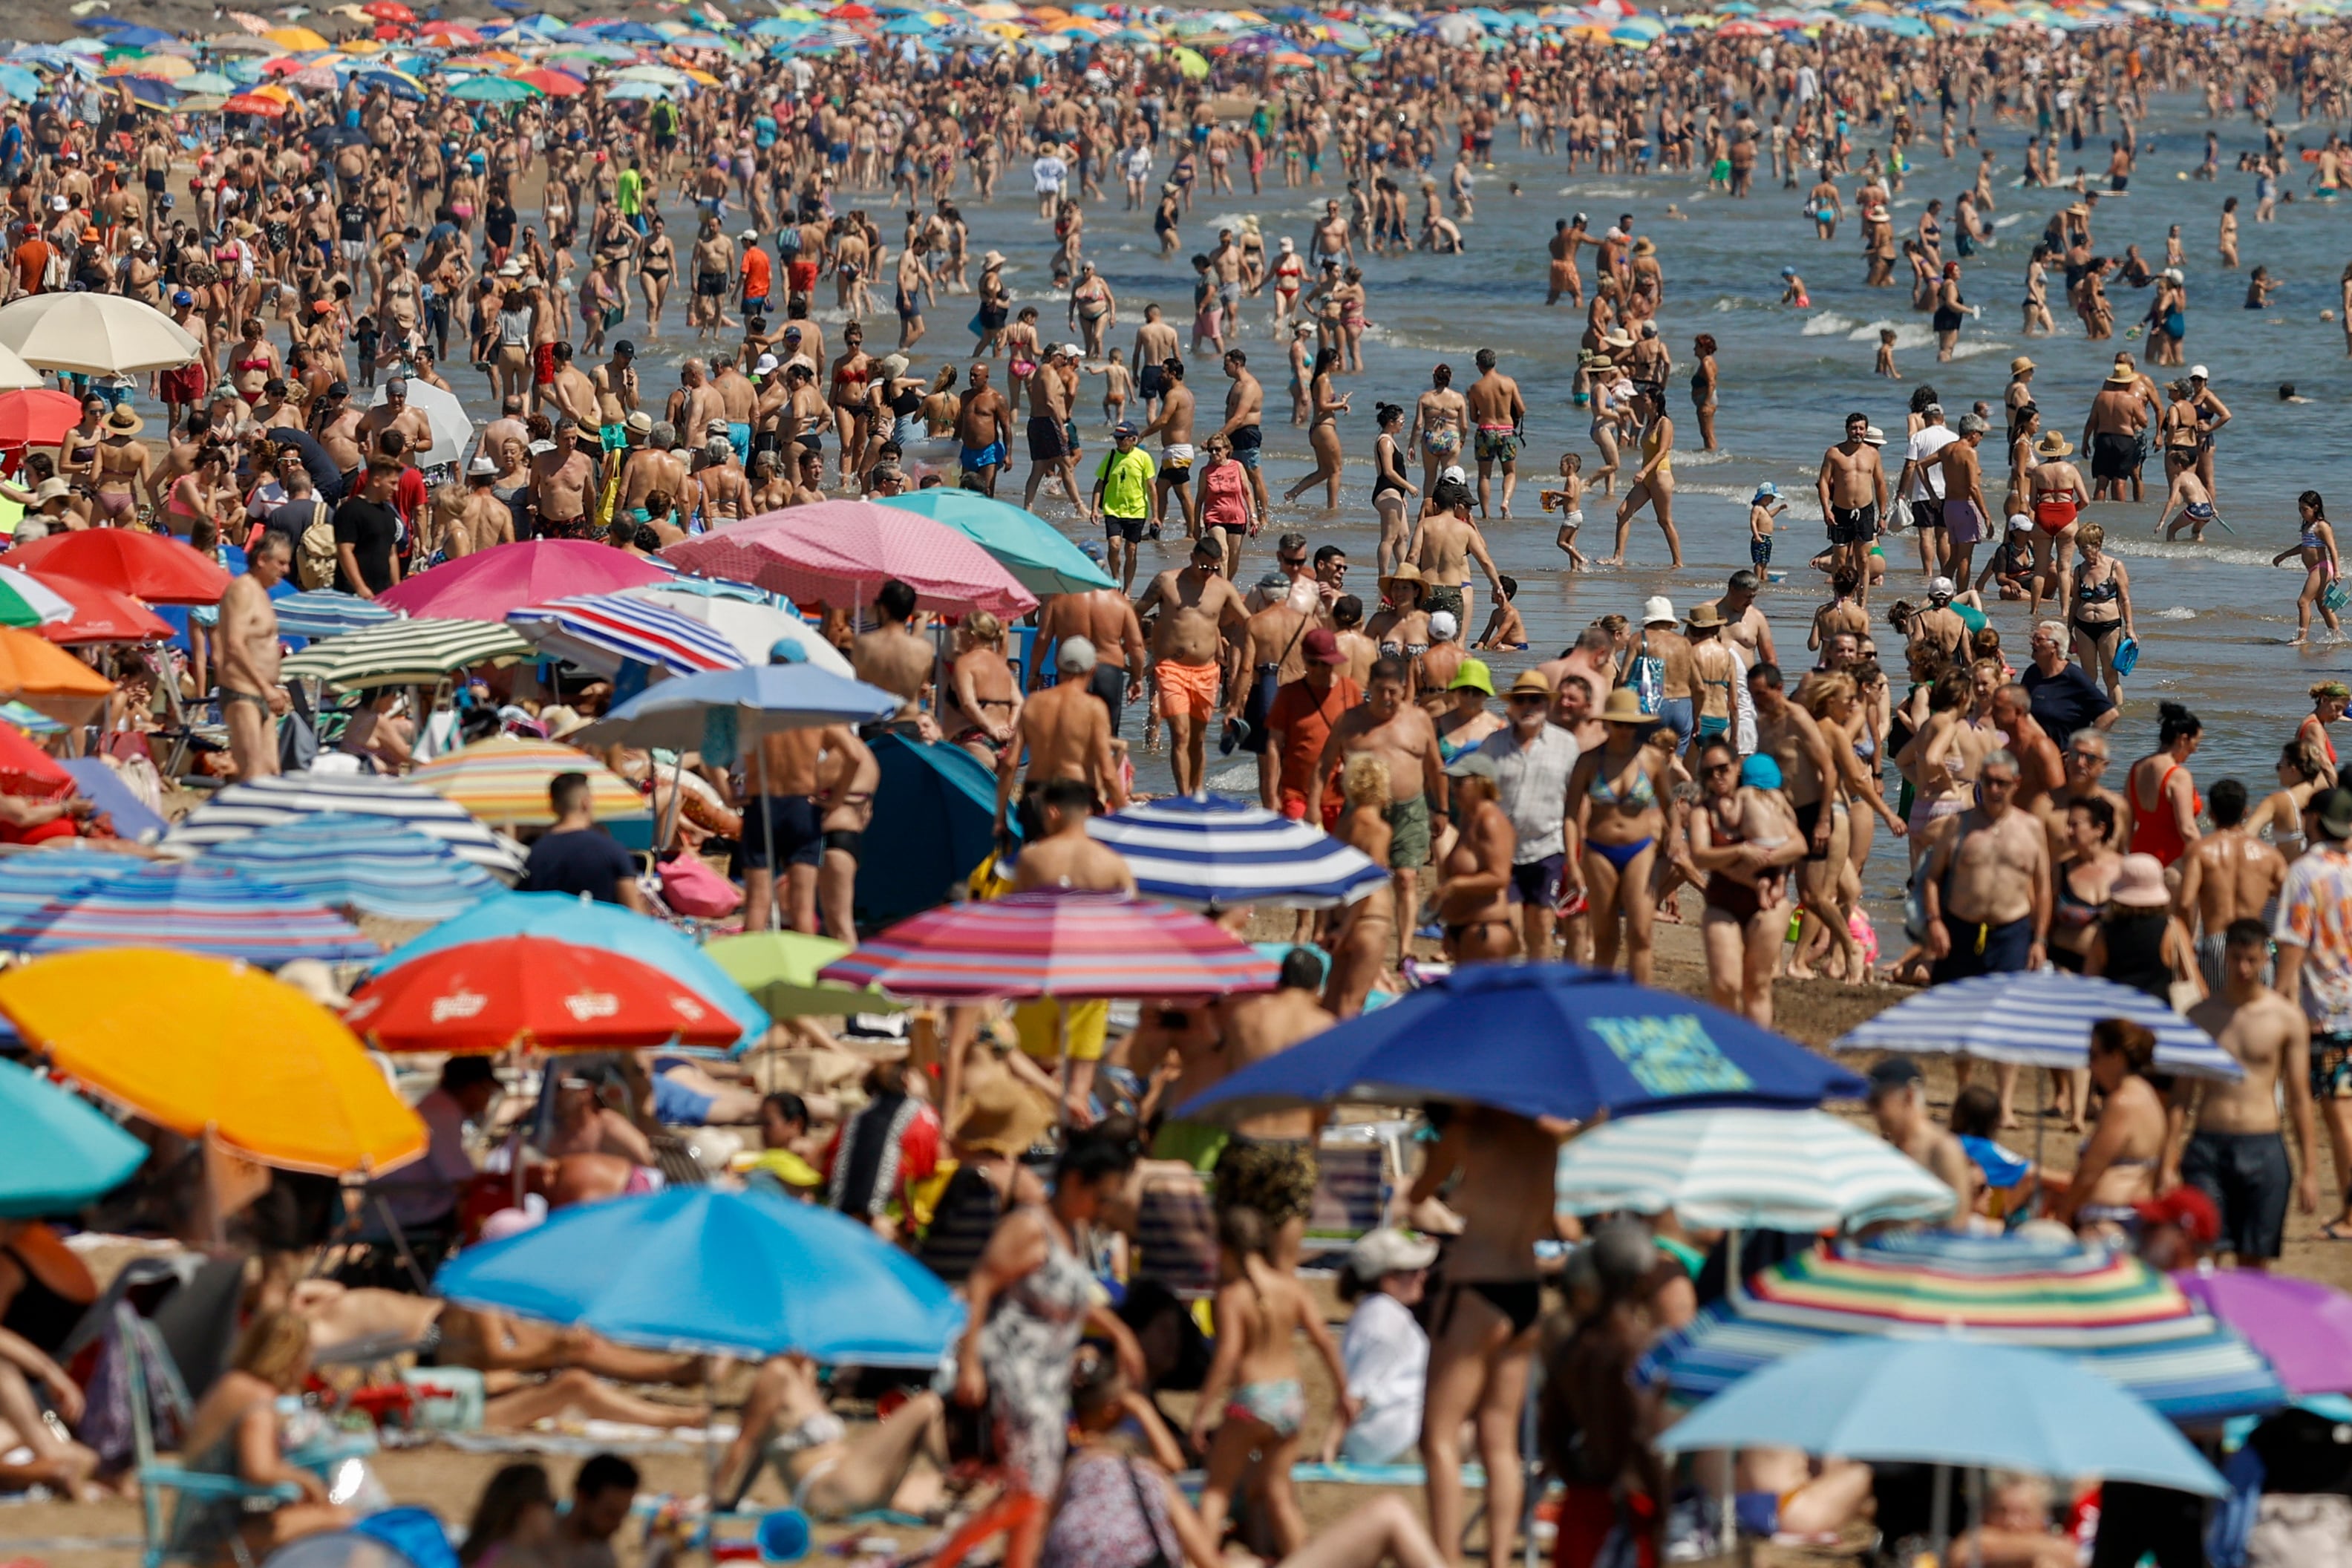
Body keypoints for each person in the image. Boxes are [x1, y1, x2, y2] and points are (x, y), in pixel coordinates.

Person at [956, 1121, 1149, 1568]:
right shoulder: (1030, 1227)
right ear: (1075, 1182)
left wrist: (1118, 1332)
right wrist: (970, 1364)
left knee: (1033, 1493)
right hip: (1013, 1375)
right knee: (1032, 1492)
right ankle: (944, 1559)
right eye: (1101, 1197)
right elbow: (980, 1286)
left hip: (1045, 1381)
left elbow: (1069, 1296)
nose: (1104, 1209)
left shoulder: (1070, 1232)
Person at [1409, 1105, 1558, 1568]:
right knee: (1499, 1443)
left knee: (1438, 1434)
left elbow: (1416, 1197)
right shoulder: (1545, 1142)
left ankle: (1447, 1558)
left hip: (1477, 1284)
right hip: (1526, 1289)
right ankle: (1498, 1560)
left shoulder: (1466, 1134)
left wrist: (1434, 1154)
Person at [1190, 1206, 1356, 1558]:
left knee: (1217, 1491)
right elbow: (1324, 1340)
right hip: (1290, 1398)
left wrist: (1202, 1410)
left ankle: (1199, 1560)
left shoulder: (1233, 1296)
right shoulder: (1290, 1287)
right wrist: (1344, 1391)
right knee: (1280, 1495)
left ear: (1226, 1247)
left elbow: (1229, 1355)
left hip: (1252, 1397)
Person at [2180, 918, 2316, 1269]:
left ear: (2265, 960)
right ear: (2225, 956)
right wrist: (2166, 1162)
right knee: (2203, 1257)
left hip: (2263, 1144)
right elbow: (2180, 1097)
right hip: (2207, 1145)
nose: (2243, 968)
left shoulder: (2287, 1018)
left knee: (2253, 1265)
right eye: (2236, 958)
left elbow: (2300, 1098)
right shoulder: (2200, 1016)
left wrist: (2311, 1171)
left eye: (2251, 960)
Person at [173, 1311, 353, 1561]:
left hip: (198, 1522)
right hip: (219, 1535)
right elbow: (259, 1469)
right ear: (292, 1356)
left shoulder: (232, 1383)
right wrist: (306, 1480)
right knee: (344, 1520)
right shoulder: (259, 1398)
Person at [2273, 786, 2352, 1243]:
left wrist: (2280, 1005)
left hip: (2327, 1011)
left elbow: (2292, 946)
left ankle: (2350, 1211)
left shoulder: (2305, 873)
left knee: (2339, 1115)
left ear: (2317, 821)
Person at [1678, 746, 1804, 1027]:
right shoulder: (1705, 811)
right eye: (1709, 773)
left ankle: (1757, 1051)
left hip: (1769, 903)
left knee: (1757, 984)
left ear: (1737, 767)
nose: (1718, 777)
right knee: (1726, 984)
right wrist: (1741, 852)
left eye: (1723, 769)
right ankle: (1729, 1044)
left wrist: (1765, 857)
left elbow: (1798, 844)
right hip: (1724, 901)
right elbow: (1699, 855)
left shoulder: (1763, 801)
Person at [1563, 688, 1673, 982]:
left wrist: (1675, 838)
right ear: (1607, 724)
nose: (1625, 730)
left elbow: (1669, 804)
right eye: (1619, 724)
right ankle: (1603, 998)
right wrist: (1573, 864)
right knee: (1605, 934)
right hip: (1599, 850)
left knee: (1640, 932)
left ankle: (1639, 1000)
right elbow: (1571, 816)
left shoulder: (1651, 759)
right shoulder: (1588, 762)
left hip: (1640, 849)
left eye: (1630, 725)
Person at [1919, 748, 2050, 987]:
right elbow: (1932, 878)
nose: (1994, 790)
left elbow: (2043, 889)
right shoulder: (1958, 824)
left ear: (2016, 783)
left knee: (2005, 1012)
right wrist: (1934, 921)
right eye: (1988, 782)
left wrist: (2040, 941)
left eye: (2001, 783)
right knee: (1952, 1008)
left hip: (2011, 935)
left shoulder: (2032, 828)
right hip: (1960, 931)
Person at [1478, 669, 1580, 961]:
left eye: (1535, 700)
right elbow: (1480, 801)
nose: (1528, 706)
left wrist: (1575, 858)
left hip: (1548, 848)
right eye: (1522, 700)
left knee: (1542, 925)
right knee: (1508, 927)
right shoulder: (1492, 744)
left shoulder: (1567, 745)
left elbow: (1575, 804)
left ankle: (1538, 987)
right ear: (1512, 705)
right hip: (1502, 852)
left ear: (1547, 705)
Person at [1322, 1228, 1435, 1466]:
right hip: (1399, 1438)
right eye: (1413, 1271)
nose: (1423, 1275)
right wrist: (1329, 1450)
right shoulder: (1387, 1320)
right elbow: (1355, 1395)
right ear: (1388, 1278)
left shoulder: (1375, 1312)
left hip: (1383, 1438)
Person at [2051, 1019, 2170, 1241]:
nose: (2090, 1066)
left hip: (2110, 1221)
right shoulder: (2149, 1097)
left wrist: (2063, 1213)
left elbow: (2090, 1172)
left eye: (2094, 1056)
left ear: (2117, 1057)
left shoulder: (2122, 1103)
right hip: (2133, 1215)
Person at [216, 532, 290, 780]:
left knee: (270, 773)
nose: (286, 569)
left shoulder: (262, 592)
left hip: (263, 692)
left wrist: (273, 687)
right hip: (243, 692)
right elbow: (234, 644)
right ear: (261, 560)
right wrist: (264, 687)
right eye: (280, 563)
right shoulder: (242, 590)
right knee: (252, 774)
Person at [1866, 1056, 1975, 1223]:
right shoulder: (1890, 1149)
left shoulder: (1942, 1149)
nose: (1872, 1111)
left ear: (1908, 1096)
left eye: (1876, 1101)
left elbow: (1957, 1222)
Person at [518, 772, 648, 909]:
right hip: (600, 929)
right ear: (585, 802)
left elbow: (527, 906)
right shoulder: (611, 850)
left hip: (551, 930)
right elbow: (634, 914)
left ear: (553, 807)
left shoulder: (536, 853)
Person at [1435, 752, 1518, 964]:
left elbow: (1499, 877)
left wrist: (1454, 885)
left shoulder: (1491, 821)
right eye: (1453, 782)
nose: (1454, 789)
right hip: (1464, 929)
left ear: (1482, 784)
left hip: (1487, 930)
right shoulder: (1467, 818)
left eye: (1460, 782)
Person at [2123, 702, 2203, 869]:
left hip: (2139, 855)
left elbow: (2126, 822)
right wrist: (2209, 861)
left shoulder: (2137, 768)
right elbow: (2187, 829)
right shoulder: (2178, 775)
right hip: (2171, 860)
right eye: (2196, 744)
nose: (2195, 751)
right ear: (2183, 739)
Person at [544, 1453, 639, 1568]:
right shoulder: (536, 1544)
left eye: (622, 1515)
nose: (617, 1525)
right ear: (583, 1498)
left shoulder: (603, 1556)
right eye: (610, 1514)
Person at [458, 1463, 558, 1568]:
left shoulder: (478, 1552)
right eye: (552, 1504)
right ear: (530, 1509)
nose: (555, 1514)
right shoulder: (518, 1561)